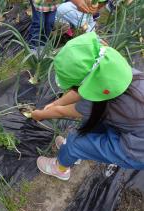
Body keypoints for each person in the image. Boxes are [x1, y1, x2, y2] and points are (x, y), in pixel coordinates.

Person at [31, 32, 144, 181]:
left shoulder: (95, 104)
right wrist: (55, 103)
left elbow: (61, 112)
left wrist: (37, 115)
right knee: (88, 127)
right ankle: (75, 153)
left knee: (74, 143)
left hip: (136, 150)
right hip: (134, 127)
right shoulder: (119, 75)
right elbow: (79, 93)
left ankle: (60, 168)